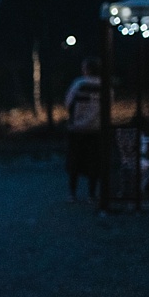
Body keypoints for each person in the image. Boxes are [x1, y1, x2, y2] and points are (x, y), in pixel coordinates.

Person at [63, 57, 105, 202]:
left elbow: (68, 102)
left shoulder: (79, 84)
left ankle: (72, 194)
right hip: (96, 129)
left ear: (86, 69)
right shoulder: (104, 86)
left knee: (74, 161)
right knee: (94, 161)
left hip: (77, 128)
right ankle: (92, 194)